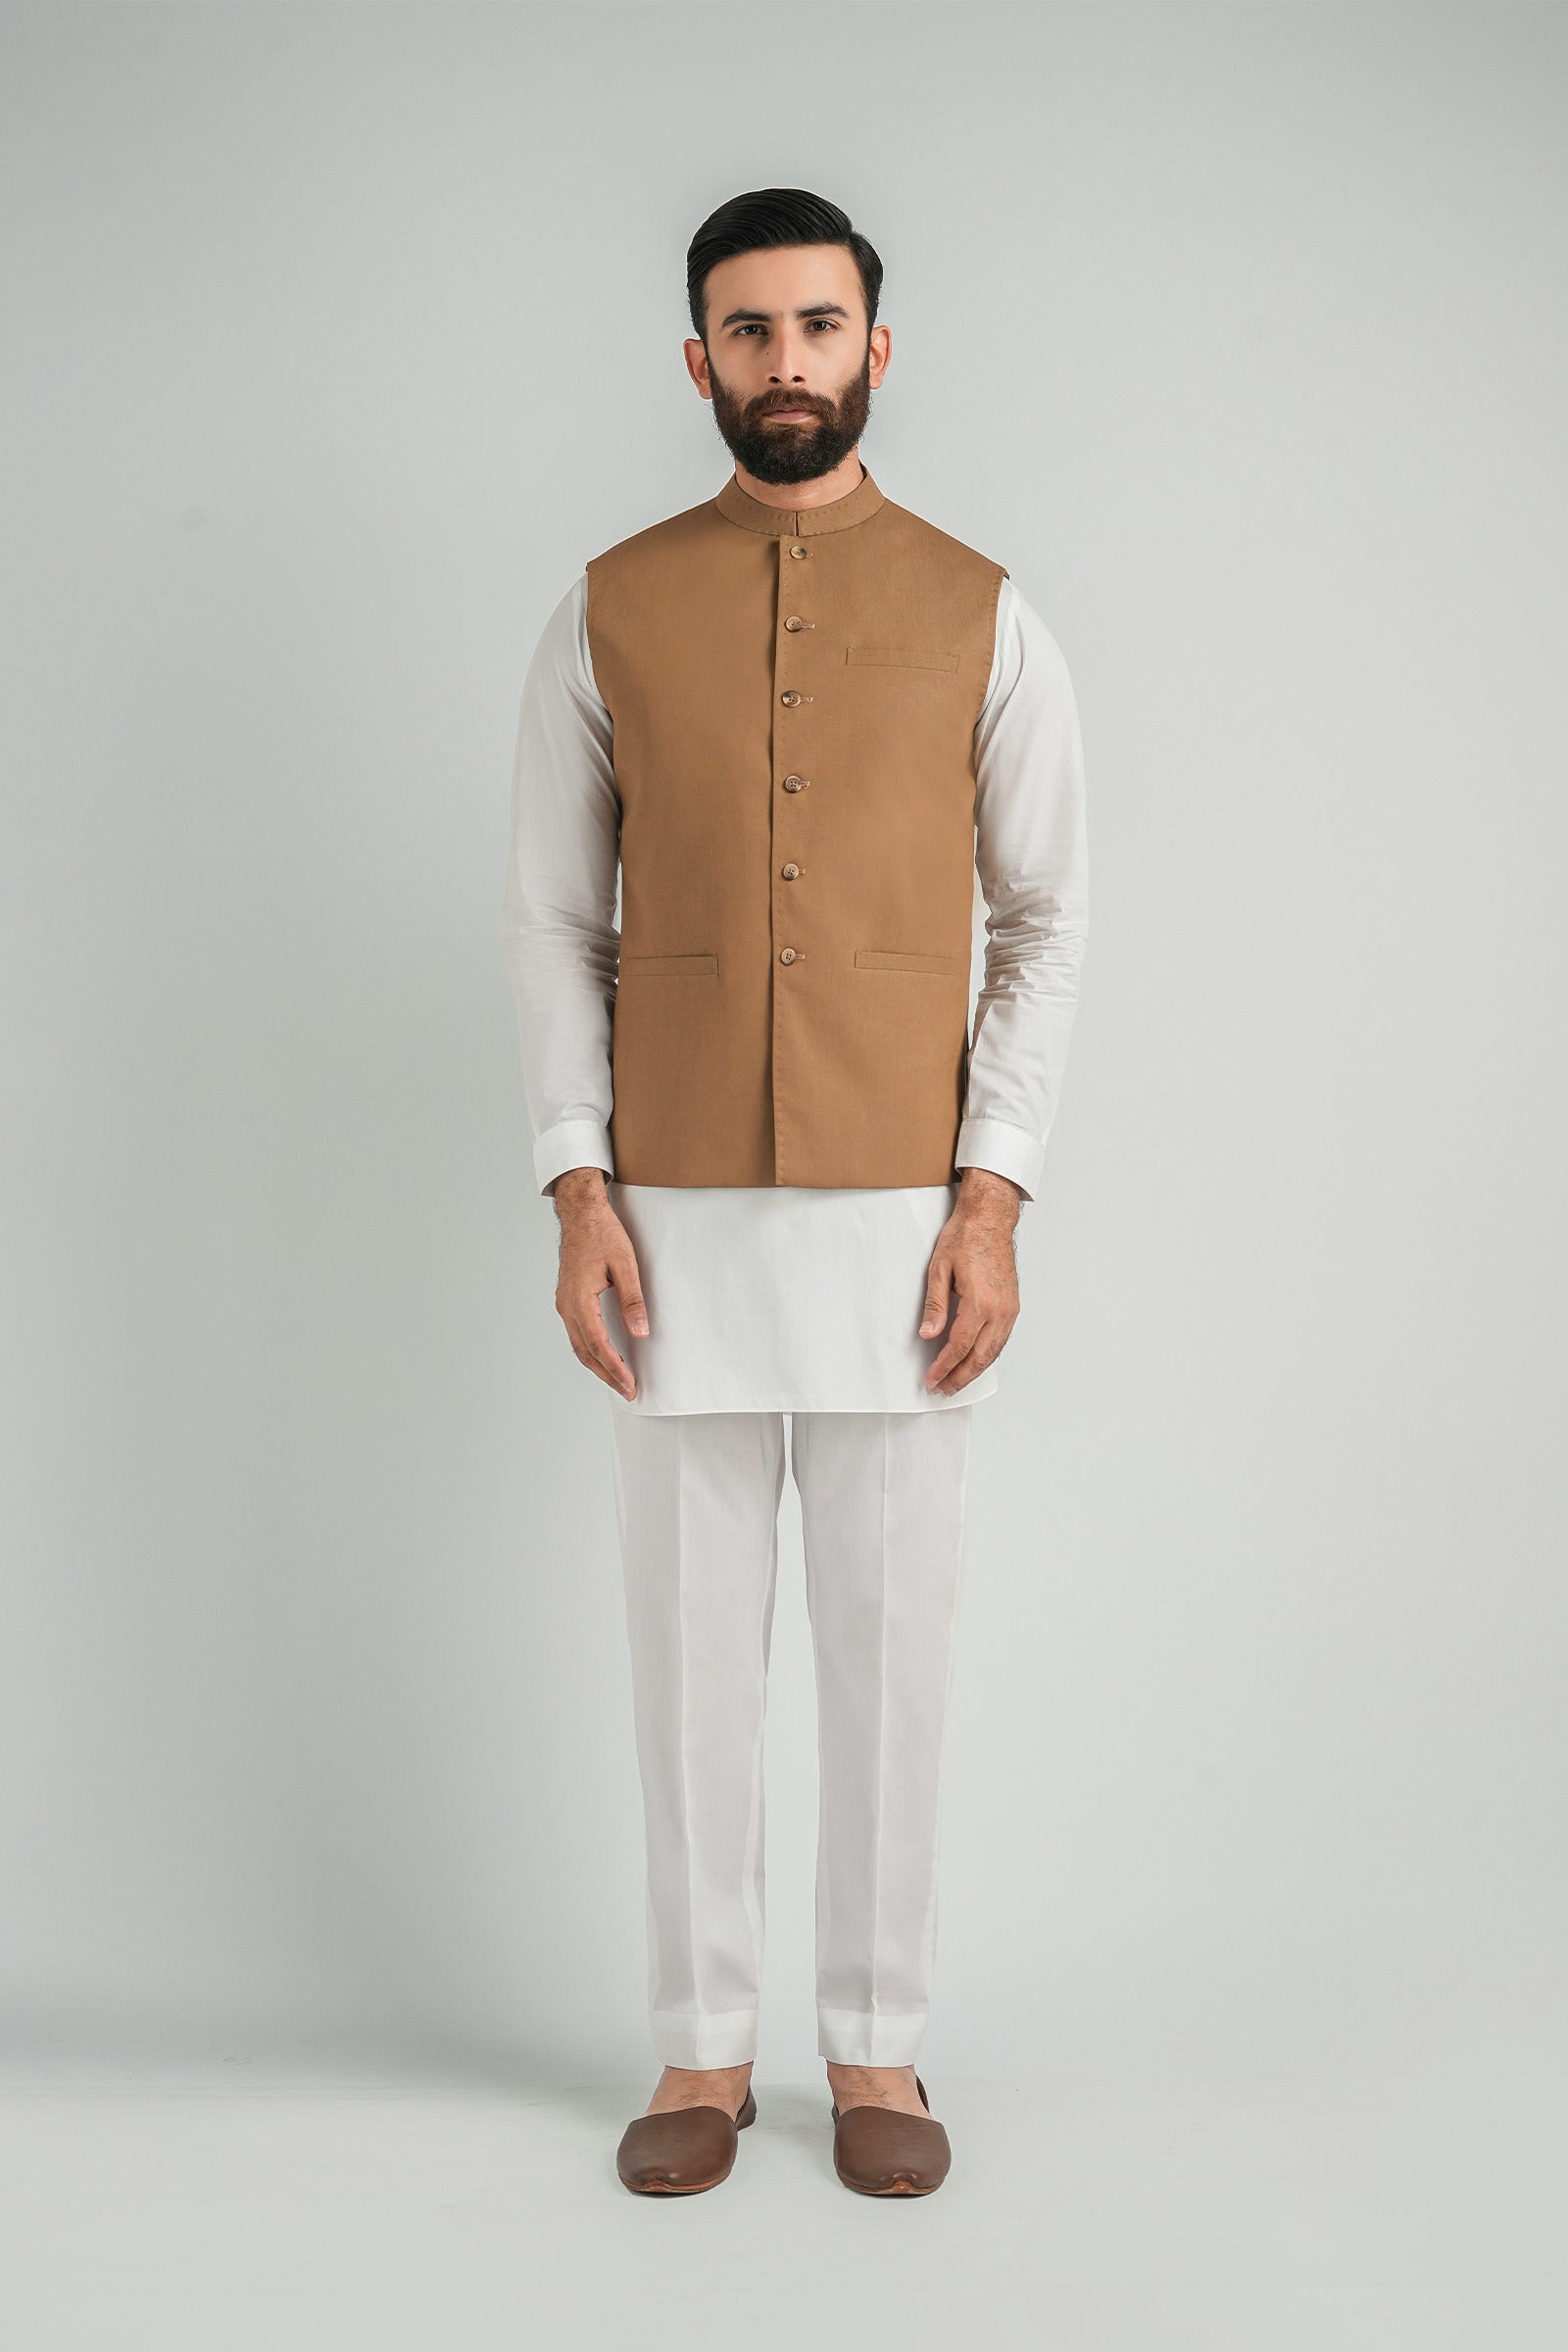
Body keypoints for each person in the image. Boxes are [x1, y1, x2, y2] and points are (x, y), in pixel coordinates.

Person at [501, 186, 1089, 2197]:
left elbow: (1046, 918)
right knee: (688, 1652)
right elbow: (550, 917)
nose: (785, 363)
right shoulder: (604, 608)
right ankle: (698, 2047)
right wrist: (576, 1190)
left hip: (903, 1218)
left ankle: (877, 2050)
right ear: (697, 359)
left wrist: (992, 1197)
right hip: (665, 1215)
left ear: (875, 349)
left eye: (817, 326)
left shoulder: (987, 610)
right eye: (746, 330)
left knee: (890, 1645)